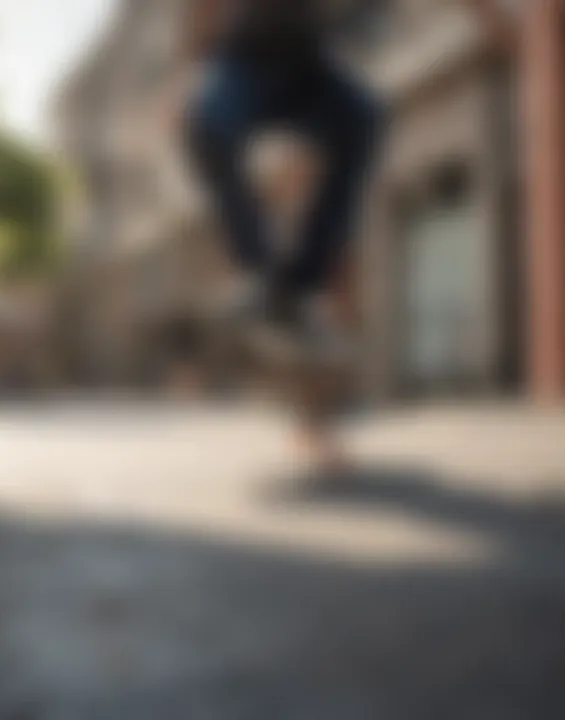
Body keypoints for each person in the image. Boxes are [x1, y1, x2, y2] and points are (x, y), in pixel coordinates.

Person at [178, 0, 385, 472]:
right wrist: (189, 73)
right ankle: (261, 276)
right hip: (245, 60)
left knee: (366, 117)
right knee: (207, 123)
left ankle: (315, 420)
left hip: (308, 70)